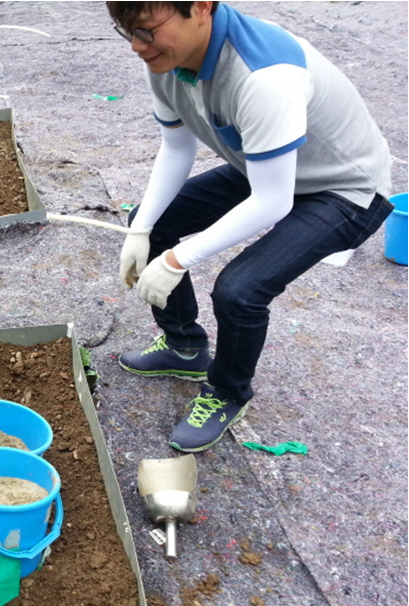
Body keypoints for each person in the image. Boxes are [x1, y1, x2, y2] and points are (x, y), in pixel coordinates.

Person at [106, 1, 392, 452]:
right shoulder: (168, 57)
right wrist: (141, 229)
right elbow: (177, 150)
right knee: (152, 218)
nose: (138, 48)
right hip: (267, 166)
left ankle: (227, 392)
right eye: (128, 33)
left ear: (200, 8)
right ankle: (184, 348)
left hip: (344, 188)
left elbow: (272, 201)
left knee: (240, 290)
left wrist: (179, 259)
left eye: (146, 30)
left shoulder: (264, 75)